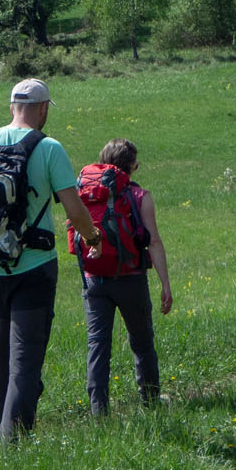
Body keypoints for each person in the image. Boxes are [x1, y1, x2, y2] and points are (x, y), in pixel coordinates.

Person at [0, 78, 101, 440]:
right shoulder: (49, 148)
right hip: (34, 267)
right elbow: (74, 209)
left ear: (12, 106)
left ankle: (1, 427)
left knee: (2, 357)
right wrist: (92, 238)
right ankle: (11, 446)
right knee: (25, 360)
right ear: (43, 108)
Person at [75, 139, 172, 414]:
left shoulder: (86, 190)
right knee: (141, 340)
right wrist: (165, 284)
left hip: (94, 279)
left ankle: (98, 411)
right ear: (130, 167)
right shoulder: (140, 197)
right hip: (131, 277)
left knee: (97, 344)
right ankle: (151, 401)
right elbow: (153, 242)